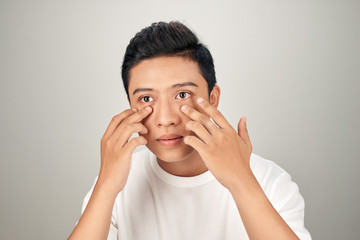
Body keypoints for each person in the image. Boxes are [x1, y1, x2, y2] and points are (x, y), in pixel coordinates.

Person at [68, 21, 311, 240]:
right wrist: (106, 185)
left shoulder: (269, 180)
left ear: (212, 97)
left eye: (182, 95)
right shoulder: (117, 182)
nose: (166, 119)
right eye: (146, 99)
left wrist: (240, 180)